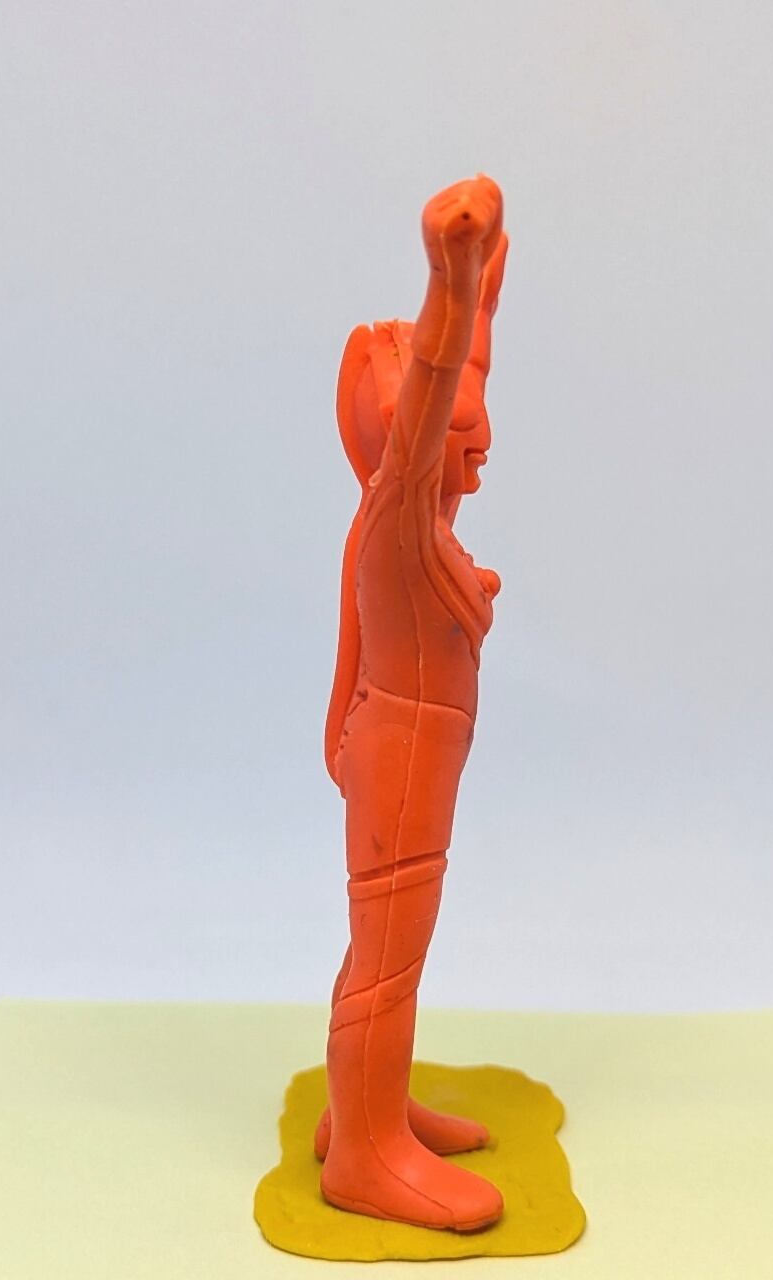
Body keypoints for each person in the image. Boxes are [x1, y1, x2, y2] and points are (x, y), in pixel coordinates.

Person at [313, 176, 509, 1232]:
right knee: (388, 958)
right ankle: (363, 1152)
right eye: (461, 429)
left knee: (391, 947)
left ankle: (366, 1105)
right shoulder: (398, 511)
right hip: (403, 765)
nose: (482, 443)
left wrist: (483, 292)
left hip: (404, 756)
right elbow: (436, 382)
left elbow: (459, 366)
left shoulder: (413, 521)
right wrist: (452, 277)